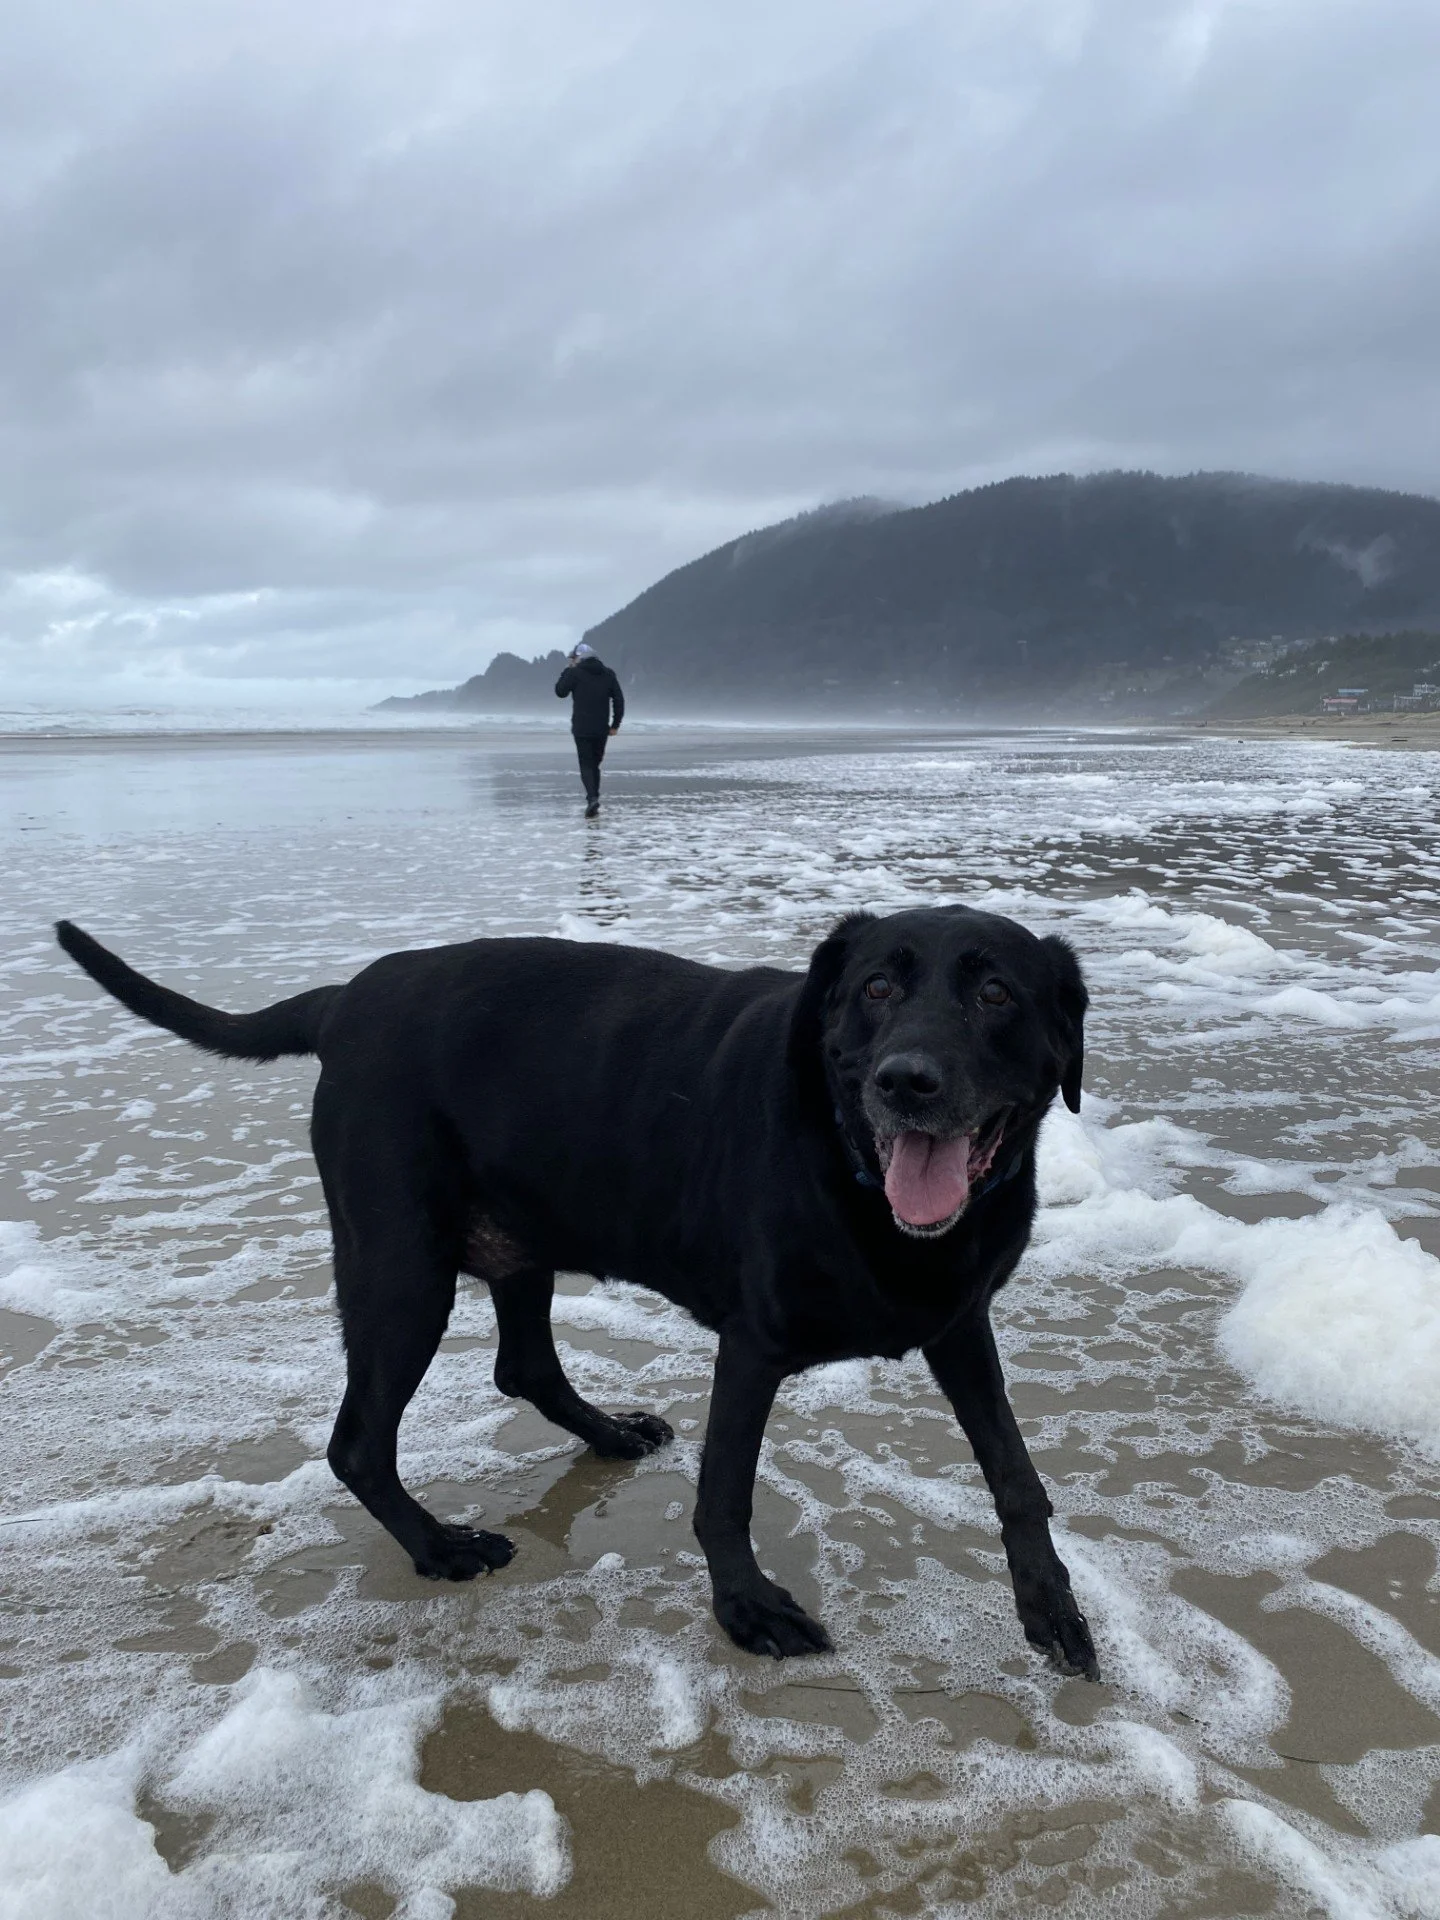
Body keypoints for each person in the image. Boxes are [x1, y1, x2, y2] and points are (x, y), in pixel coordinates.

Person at [554, 641, 624, 817]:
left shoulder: (574, 673)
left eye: (573, 658)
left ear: (579, 657)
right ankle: (594, 797)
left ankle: (592, 798)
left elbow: (560, 691)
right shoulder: (608, 674)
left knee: (586, 764)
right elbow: (619, 700)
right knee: (595, 764)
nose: (572, 661)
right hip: (602, 728)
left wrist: (568, 670)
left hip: (582, 727)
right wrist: (615, 725)